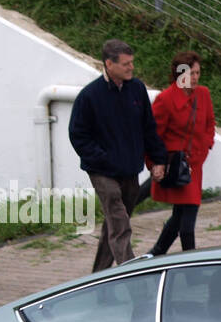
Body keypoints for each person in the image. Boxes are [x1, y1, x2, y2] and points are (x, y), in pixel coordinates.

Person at [68, 39, 167, 272]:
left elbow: (148, 128)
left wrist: (158, 159)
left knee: (115, 223)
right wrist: (101, 158)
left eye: (132, 63)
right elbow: (78, 135)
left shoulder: (137, 89)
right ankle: (130, 271)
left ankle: (98, 277)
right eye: (126, 64)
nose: (131, 67)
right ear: (108, 64)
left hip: (130, 169)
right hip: (102, 171)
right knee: (119, 221)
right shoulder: (90, 96)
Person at [147, 51, 215, 256]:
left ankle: (157, 252)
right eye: (190, 73)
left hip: (196, 163)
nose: (194, 78)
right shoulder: (165, 100)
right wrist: (154, 164)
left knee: (179, 217)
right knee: (186, 222)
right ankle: (189, 263)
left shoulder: (203, 94)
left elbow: (210, 123)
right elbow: (153, 135)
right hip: (178, 165)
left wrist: (206, 146)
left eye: (197, 73)